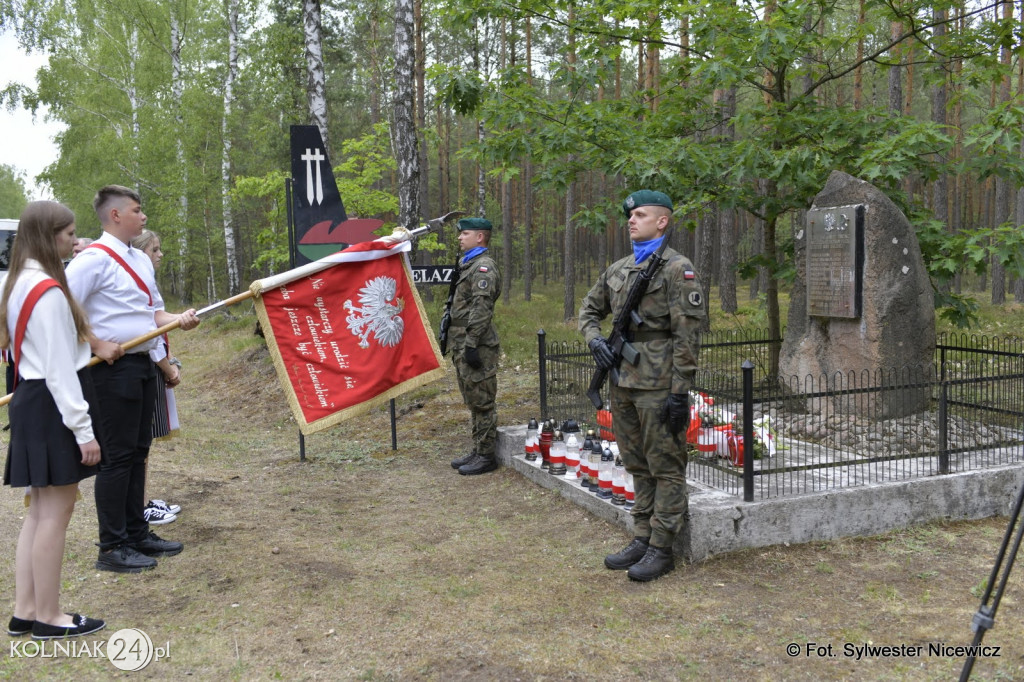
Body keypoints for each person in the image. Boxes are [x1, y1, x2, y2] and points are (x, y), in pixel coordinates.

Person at [65, 185, 199, 573]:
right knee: (117, 457)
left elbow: (153, 315)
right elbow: (61, 306)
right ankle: (112, 546)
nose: (143, 217)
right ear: (115, 216)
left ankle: (137, 533)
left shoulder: (139, 260)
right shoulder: (91, 260)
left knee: (139, 451)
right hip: (110, 370)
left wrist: (179, 320)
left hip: (141, 364)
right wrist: (95, 343)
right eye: (137, 210)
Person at [578, 190, 705, 582]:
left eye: (641, 214)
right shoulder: (618, 270)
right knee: (635, 462)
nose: (632, 220)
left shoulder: (676, 269)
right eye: (630, 215)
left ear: (662, 221)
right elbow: (588, 310)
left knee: (665, 466)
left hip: (658, 383)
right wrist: (595, 340)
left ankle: (662, 547)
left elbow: (688, 336)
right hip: (622, 380)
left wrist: (680, 392)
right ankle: (642, 534)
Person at [1, 201, 106, 639]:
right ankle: (50, 616)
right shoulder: (45, 289)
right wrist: (84, 431)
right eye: (69, 235)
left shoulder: (17, 282)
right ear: (49, 236)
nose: (75, 242)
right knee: (54, 514)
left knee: (40, 512)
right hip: (50, 402)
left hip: (30, 398)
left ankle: (26, 610)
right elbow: (62, 370)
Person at [131, 228, 182, 525]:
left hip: (152, 366)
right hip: (144, 367)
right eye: (154, 249)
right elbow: (147, 331)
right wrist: (166, 367)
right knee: (140, 445)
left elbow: (158, 319)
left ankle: (141, 501)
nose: (160, 254)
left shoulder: (148, 283)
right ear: (139, 252)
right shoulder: (135, 283)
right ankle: (138, 507)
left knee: (144, 444)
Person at [445, 217, 501, 476]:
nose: (459, 237)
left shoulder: (483, 268)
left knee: (483, 400)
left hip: (476, 343)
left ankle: (487, 455)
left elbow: (481, 309)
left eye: (464, 233)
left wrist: (471, 344)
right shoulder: (467, 264)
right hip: (462, 341)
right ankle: (478, 448)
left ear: (480, 237)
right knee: (472, 399)